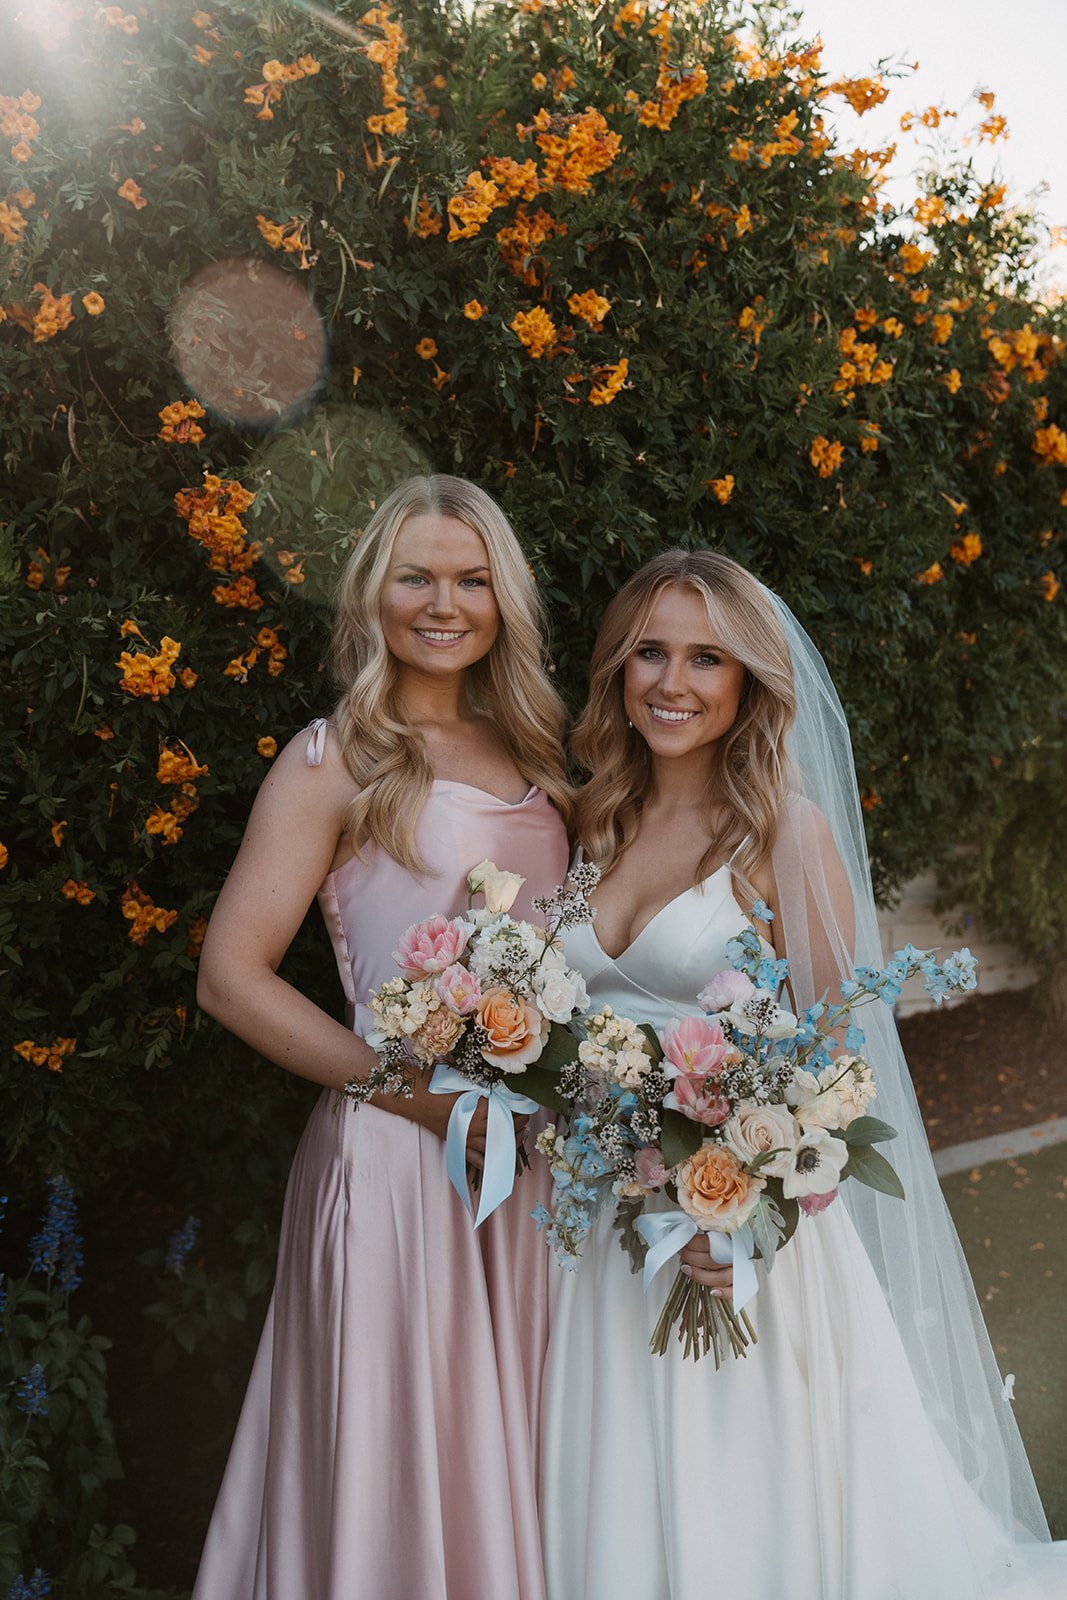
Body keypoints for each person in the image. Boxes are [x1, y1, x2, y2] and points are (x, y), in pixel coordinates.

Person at [540, 549, 1066, 1599]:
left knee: (752, 1503)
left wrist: (745, 1212)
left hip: (739, 1243)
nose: (672, 682)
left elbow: (834, 1058)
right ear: (616, 669)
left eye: (705, 657)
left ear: (746, 683)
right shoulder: (587, 819)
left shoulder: (779, 828)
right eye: (649, 651)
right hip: (596, 1228)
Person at [191, 475, 571, 1600]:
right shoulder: (335, 754)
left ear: (502, 599)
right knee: (396, 1466)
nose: (442, 603)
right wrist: (425, 1098)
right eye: (416, 576)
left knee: (516, 1452)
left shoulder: (537, 753)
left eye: (469, 579)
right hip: (402, 1157)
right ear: (374, 593)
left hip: (529, 1168)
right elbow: (228, 976)